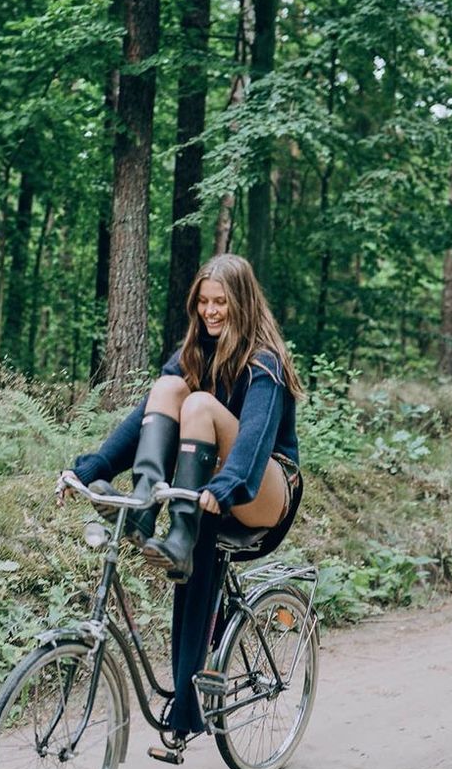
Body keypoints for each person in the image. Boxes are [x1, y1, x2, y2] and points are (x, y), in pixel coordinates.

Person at [57, 254, 304, 739]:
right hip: (205, 487)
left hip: (262, 488)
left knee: (199, 403)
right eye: (204, 302)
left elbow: (254, 443)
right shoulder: (194, 351)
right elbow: (142, 420)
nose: (211, 312)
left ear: (243, 304)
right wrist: (89, 469)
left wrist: (224, 486)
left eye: (222, 303)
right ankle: (148, 509)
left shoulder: (264, 362)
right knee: (170, 386)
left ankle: (181, 529)